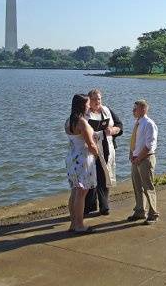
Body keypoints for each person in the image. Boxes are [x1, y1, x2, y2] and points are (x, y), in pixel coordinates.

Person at [84, 88, 123, 216]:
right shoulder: (84, 113)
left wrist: (112, 131)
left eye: (99, 99)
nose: (97, 102)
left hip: (107, 149)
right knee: (91, 177)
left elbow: (119, 126)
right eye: (94, 99)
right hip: (91, 150)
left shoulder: (107, 110)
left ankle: (104, 206)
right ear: (89, 101)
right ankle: (89, 206)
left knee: (104, 177)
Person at [64, 94, 99, 234]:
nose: (89, 106)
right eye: (87, 104)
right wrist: (97, 154)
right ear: (81, 106)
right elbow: (90, 144)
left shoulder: (68, 121)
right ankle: (79, 225)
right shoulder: (82, 122)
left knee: (74, 191)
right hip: (83, 158)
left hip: (72, 157)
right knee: (82, 192)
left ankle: (73, 223)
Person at [127, 99, 160, 225]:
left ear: (143, 109)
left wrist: (139, 158)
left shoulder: (149, 124)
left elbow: (149, 146)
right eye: (133, 108)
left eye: (135, 108)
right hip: (136, 159)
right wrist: (131, 154)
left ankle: (153, 213)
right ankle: (140, 210)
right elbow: (135, 141)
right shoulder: (137, 123)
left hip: (145, 159)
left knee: (148, 187)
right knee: (137, 186)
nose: (133, 110)